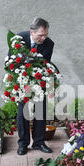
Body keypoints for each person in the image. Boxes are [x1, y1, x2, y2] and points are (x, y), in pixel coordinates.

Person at [12, 17, 54, 156]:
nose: (43, 38)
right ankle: (23, 144)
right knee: (22, 111)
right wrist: (22, 82)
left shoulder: (49, 44)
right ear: (31, 32)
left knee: (40, 110)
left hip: (38, 80)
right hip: (22, 79)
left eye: (46, 34)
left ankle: (39, 142)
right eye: (40, 35)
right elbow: (11, 61)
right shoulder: (19, 38)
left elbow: (44, 65)